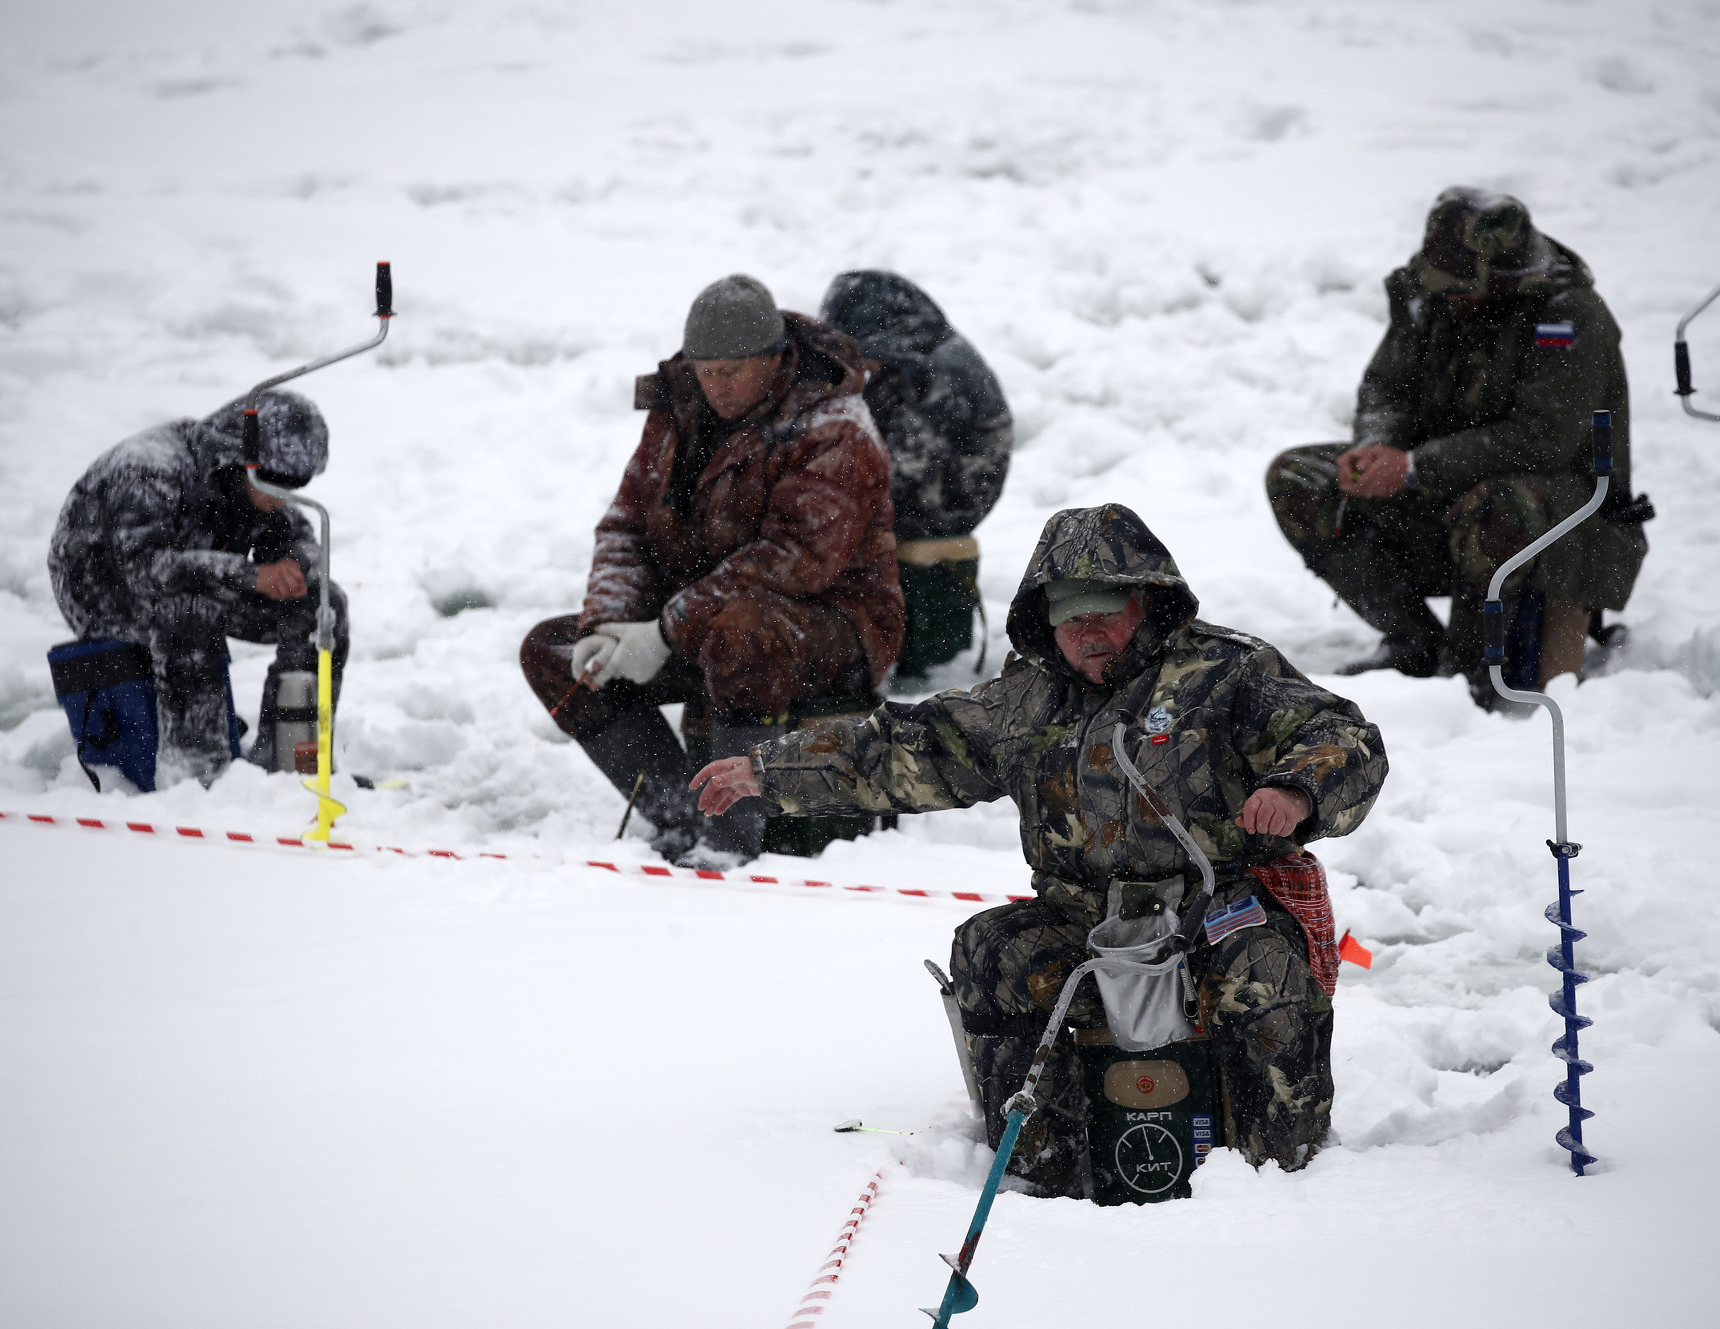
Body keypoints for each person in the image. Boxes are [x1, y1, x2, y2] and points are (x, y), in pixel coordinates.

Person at [692, 504, 1387, 1190]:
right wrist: (772, 769)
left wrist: (1298, 790)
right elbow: (914, 745)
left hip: (1217, 910)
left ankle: (1277, 1180)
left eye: (1104, 612)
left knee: (1261, 974)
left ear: (1145, 602)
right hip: (1082, 917)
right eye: (1069, 616)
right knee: (993, 949)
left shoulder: (1227, 672)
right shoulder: (1026, 699)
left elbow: (1340, 735)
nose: (1088, 633)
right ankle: (1040, 1178)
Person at [521, 274, 902, 865]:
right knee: (553, 651)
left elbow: (794, 558)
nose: (718, 386)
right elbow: (626, 524)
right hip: (704, 620)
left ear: (775, 360)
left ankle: (728, 843)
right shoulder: (679, 412)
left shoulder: (836, 427)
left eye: (734, 370)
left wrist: (666, 632)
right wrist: (610, 623)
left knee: (741, 633)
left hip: (835, 627)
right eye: (706, 370)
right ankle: (679, 814)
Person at [1265, 187, 1652, 704]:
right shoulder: (1432, 294)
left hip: (1565, 521)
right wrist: (1376, 449)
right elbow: (1387, 386)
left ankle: (1468, 675)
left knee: (1496, 502)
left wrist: (1416, 466)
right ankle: (1414, 643)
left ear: (1504, 271)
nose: (1449, 296)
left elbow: (1543, 439)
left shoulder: (1567, 316)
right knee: (1301, 478)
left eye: (1462, 284)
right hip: (1442, 487)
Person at [48, 389, 346, 787]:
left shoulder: (253, 485)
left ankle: (294, 759)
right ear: (240, 459)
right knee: (189, 609)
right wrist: (252, 576)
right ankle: (197, 774)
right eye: (276, 484)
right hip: (109, 598)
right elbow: (145, 570)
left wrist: (294, 565)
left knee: (323, 606)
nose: (284, 498)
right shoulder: (149, 470)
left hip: (201, 580)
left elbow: (299, 535)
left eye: (296, 485)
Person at [819, 271, 1011, 684]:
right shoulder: (918, 351)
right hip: (929, 485)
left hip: (943, 502)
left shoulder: (936, 377)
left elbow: (903, 475)